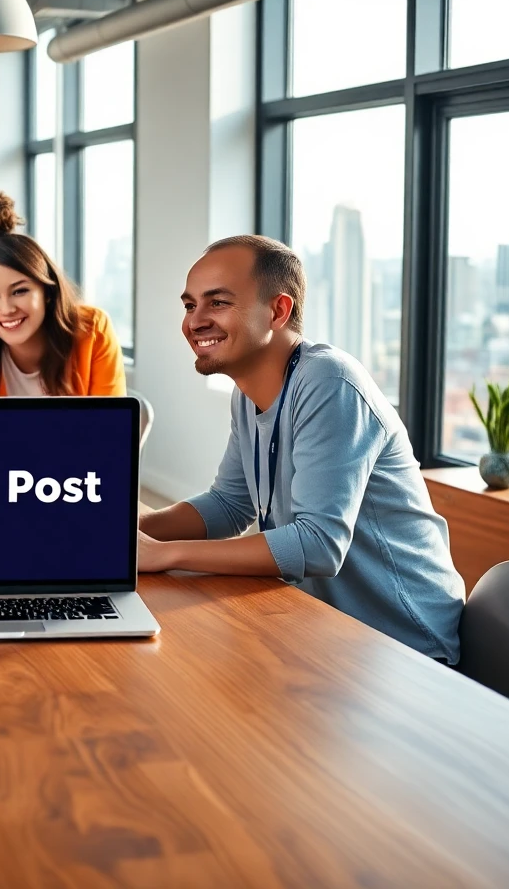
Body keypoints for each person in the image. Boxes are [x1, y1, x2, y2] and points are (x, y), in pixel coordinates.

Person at [137, 234, 464, 663]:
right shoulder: (248, 393)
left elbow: (318, 545)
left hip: (405, 648)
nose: (195, 320)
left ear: (278, 310)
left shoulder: (328, 382)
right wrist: (121, 538)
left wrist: (164, 554)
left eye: (217, 303)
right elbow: (230, 505)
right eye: (189, 305)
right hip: (324, 632)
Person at [0, 191, 126, 397]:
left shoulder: (93, 331)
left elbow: (112, 427)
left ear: (47, 290)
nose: (7, 309)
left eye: (19, 291)